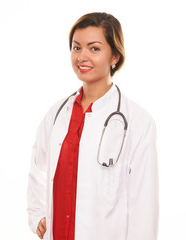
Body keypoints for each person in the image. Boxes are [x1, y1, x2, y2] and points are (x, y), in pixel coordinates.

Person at [26, 12, 159, 240]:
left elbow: (144, 203)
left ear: (115, 56)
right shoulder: (57, 114)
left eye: (94, 48)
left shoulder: (137, 121)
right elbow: (38, 168)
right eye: (76, 47)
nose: (82, 56)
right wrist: (38, 213)